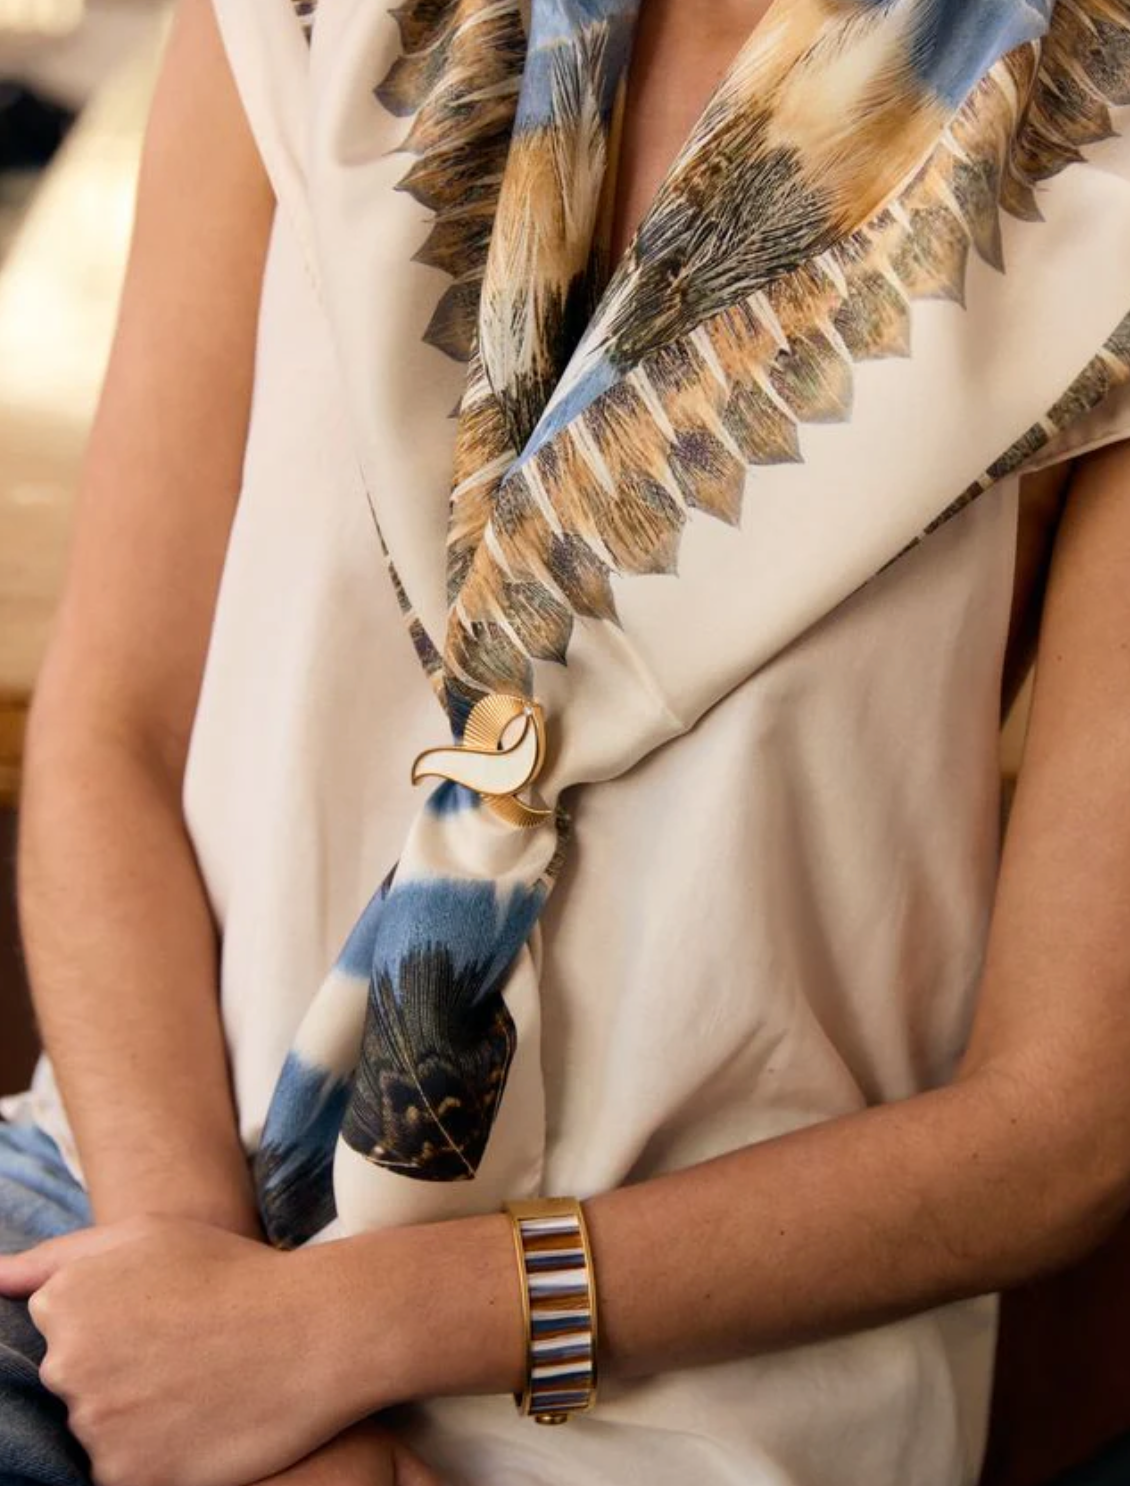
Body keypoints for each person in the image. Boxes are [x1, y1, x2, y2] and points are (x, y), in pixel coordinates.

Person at [1, 0, 1130, 1482]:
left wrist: (337, 1334)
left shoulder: (1093, 161)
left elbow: (1062, 1127)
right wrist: (203, 1310)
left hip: (672, 1386)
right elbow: (115, 736)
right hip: (127, 1219)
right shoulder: (303, 30)